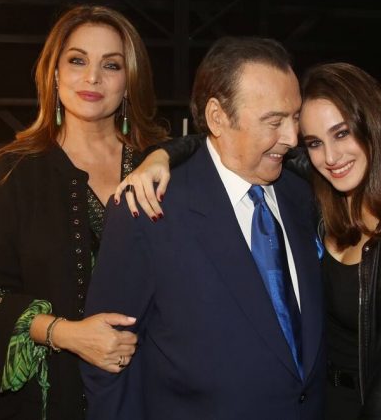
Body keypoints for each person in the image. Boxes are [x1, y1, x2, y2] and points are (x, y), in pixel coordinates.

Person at [114, 62, 381, 418]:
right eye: (314, 142)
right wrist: (161, 155)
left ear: (374, 126)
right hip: (322, 403)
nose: (331, 157)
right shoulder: (321, 194)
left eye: (342, 133)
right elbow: (230, 140)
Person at [83, 37, 325, 419]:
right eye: (274, 121)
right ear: (217, 117)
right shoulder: (148, 208)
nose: (292, 138)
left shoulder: (304, 195)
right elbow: (107, 361)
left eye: (295, 117)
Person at [0, 5, 168, 419]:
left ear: (129, 81)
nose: (93, 77)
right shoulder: (13, 172)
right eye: (77, 60)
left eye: (111, 65)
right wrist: (67, 334)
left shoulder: (160, 168)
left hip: (155, 388)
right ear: (55, 73)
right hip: (54, 396)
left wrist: (165, 155)